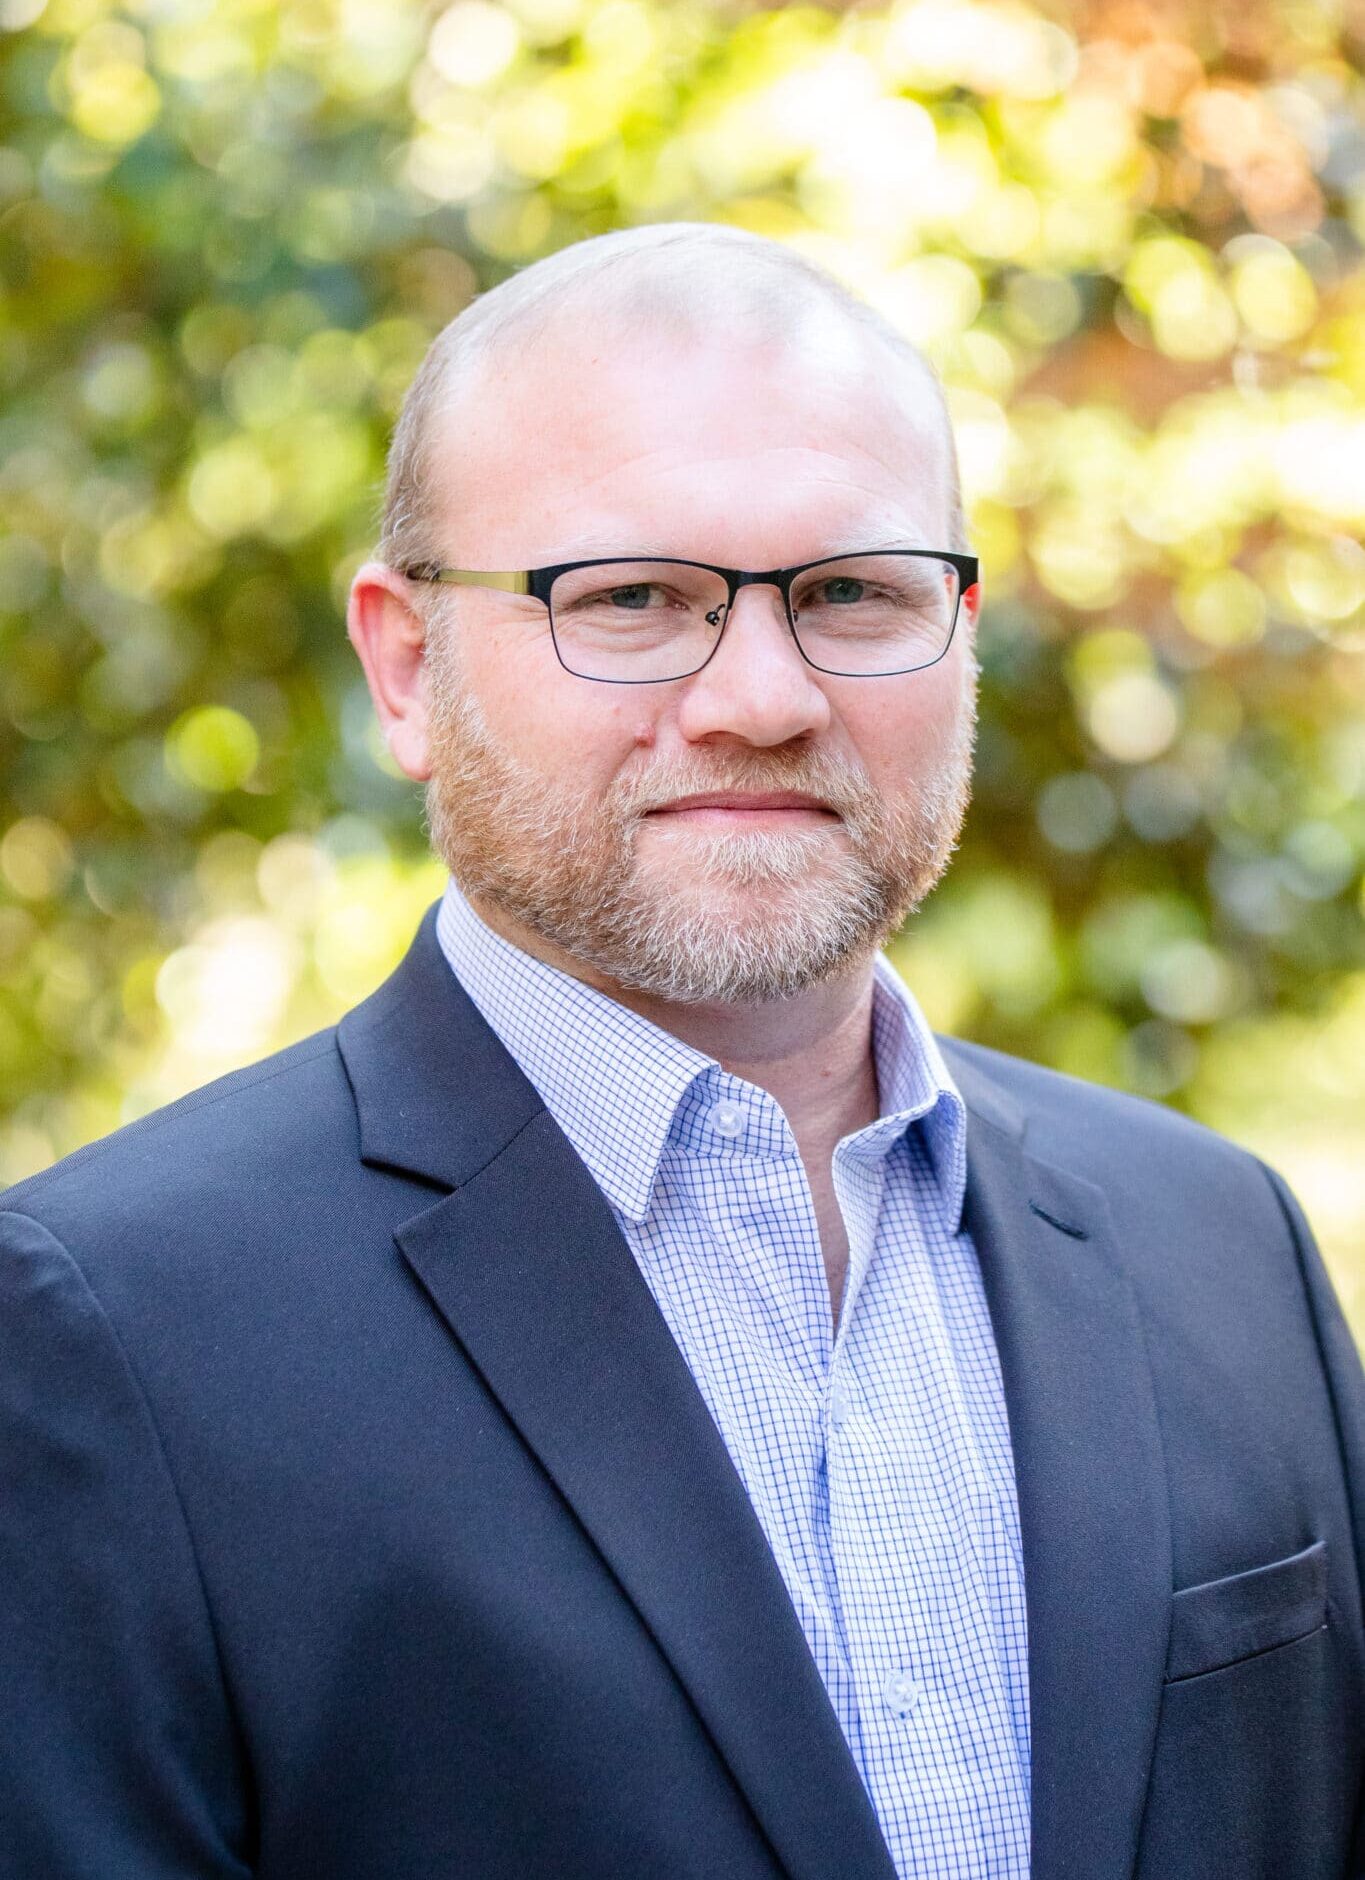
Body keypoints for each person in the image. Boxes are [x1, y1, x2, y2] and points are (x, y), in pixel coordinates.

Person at [1, 222, 1361, 1880]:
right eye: (633, 598)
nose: (762, 696)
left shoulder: (1218, 1247)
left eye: (854, 593)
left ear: (964, 634)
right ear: (406, 664)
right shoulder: (109, 1336)